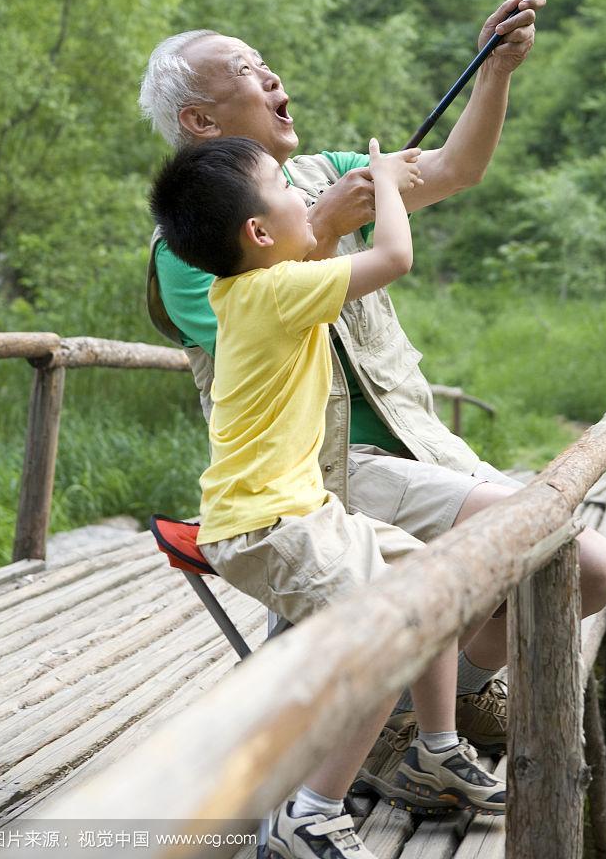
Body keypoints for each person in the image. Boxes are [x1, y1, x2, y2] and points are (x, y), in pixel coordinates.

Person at [139, 0, 606, 765]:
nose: (268, 73)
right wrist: (324, 224)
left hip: (414, 445)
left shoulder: (329, 172)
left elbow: (457, 167)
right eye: (244, 68)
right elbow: (259, 315)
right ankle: (408, 728)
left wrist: (494, 72)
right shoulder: (188, 253)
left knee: (585, 570)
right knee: (580, 556)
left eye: (264, 60)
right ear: (200, 120)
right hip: (321, 477)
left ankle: (441, 701)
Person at [149, 136, 506, 859]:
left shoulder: (259, 284)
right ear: (258, 231)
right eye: (287, 189)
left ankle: (436, 744)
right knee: (390, 632)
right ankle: (310, 812)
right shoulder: (273, 291)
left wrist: (330, 217)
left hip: (300, 509)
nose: (304, 197)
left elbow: (317, 253)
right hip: (265, 525)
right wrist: (386, 186)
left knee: (434, 583)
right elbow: (395, 261)